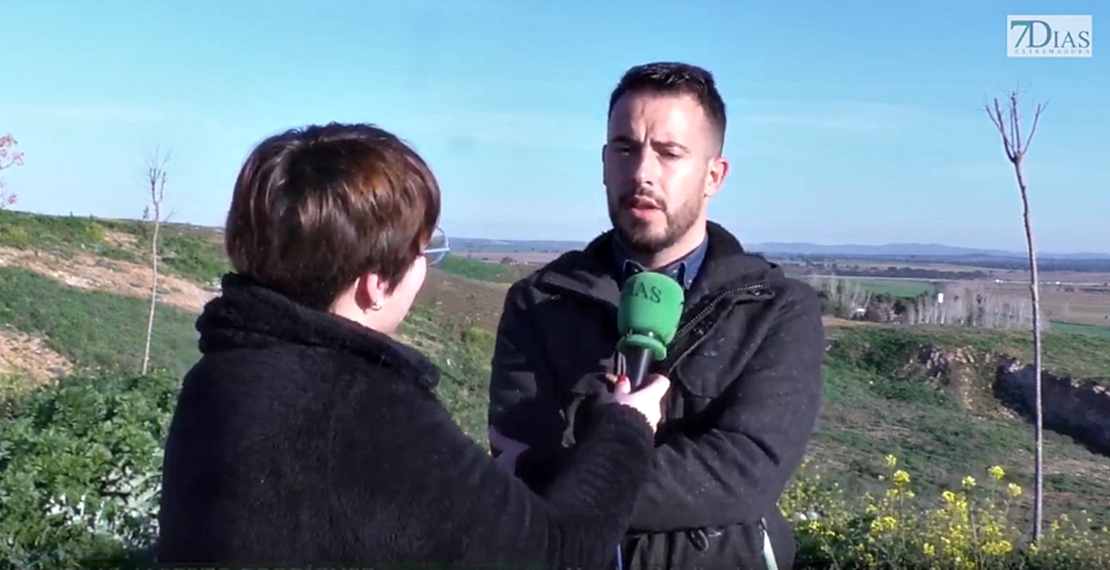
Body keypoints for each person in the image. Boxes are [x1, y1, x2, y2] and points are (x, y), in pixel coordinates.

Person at [154, 122, 674, 567]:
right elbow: (555, 553)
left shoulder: (220, 376)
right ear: (373, 285)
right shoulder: (363, 410)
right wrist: (626, 427)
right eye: (423, 249)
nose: (425, 265)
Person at [486, 62, 826, 570]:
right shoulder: (540, 302)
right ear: (604, 163)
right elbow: (521, 465)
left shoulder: (776, 312)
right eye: (625, 149)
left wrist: (586, 481)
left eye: (669, 153)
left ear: (714, 175)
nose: (642, 172)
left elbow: (743, 474)